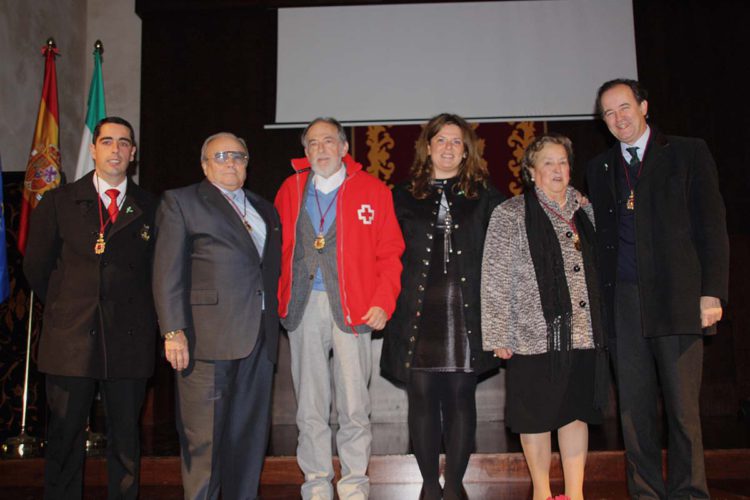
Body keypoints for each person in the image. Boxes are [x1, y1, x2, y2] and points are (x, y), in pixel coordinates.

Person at [586, 78, 729, 499]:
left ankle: (689, 493)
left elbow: (712, 225)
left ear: (644, 106)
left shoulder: (687, 152)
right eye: (608, 113)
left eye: (624, 107)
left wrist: (712, 292)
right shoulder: (600, 167)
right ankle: (646, 492)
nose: (618, 118)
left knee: (683, 411)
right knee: (633, 411)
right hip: (623, 303)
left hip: (679, 298)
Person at [24, 116, 157, 499]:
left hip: (128, 340)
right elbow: (36, 267)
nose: (115, 149)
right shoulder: (59, 201)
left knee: (125, 444)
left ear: (132, 153)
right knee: (64, 439)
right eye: (107, 141)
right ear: (95, 148)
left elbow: (156, 272)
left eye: (123, 143)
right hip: (70, 340)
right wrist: (69, 306)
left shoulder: (151, 205)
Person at [274, 117, 404, 500]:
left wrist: (383, 301)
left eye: (328, 141)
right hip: (302, 307)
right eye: (312, 143)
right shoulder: (291, 188)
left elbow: (391, 252)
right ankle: (315, 483)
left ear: (345, 148)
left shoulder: (373, 190)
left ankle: (353, 485)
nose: (320, 149)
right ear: (305, 150)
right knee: (310, 406)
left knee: (353, 406)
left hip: (355, 307)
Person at [380, 113, 503, 500]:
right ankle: (430, 485)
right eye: (441, 140)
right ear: (427, 147)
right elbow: (381, 252)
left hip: (465, 314)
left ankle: (454, 486)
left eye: (456, 141)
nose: (448, 148)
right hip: (416, 313)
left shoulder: (485, 194)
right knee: (421, 398)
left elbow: (508, 244)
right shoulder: (400, 195)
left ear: (466, 149)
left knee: (460, 398)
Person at [152, 132, 281, 500]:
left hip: (259, 339)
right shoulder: (182, 202)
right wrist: (173, 330)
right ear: (205, 165)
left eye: (237, 156)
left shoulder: (263, 208)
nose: (229, 162)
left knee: (249, 440)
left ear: (247, 163)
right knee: (204, 444)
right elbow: (166, 272)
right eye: (220, 156)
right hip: (205, 341)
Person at [481, 134, 607, 500]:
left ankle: (575, 492)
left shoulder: (587, 211)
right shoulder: (509, 213)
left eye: (563, 162)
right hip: (530, 337)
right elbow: (495, 278)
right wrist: (498, 333)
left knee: (574, 413)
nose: (557, 169)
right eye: (548, 163)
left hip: (582, 334)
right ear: (532, 172)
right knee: (534, 417)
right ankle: (540, 491)